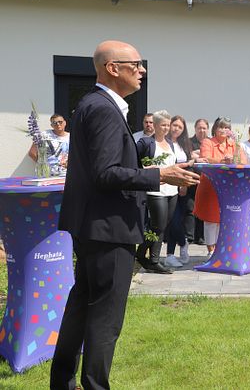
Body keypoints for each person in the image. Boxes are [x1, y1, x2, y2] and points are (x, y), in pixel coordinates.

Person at [51, 40, 199, 390]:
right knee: (105, 318)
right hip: (108, 229)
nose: (142, 70)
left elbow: (108, 168)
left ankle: (63, 383)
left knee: (81, 309)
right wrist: (160, 175)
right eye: (136, 64)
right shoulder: (102, 108)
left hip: (95, 227)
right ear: (112, 68)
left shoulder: (95, 105)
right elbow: (106, 173)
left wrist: (160, 169)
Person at [135, 110, 181, 272]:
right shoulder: (145, 143)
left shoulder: (170, 144)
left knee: (162, 226)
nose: (167, 128)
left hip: (172, 191)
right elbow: (132, 162)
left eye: (168, 125)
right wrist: (146, 169)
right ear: (154, 125)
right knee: (158, 225)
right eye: (163, 125)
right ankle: (144, 256)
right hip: (155, 191)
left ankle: (151, 258)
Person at [193, 117, 245, 258]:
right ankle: (211, 251)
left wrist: (234, 160)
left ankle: (222, 249)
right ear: (214, 129)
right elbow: (205, 158)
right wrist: (223, 160)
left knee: (225, 219)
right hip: (210, 186)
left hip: (228, 187)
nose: (223, 130)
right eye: (220, 127)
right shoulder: (207, 142)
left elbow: (243, 161)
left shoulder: (234, 144)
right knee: (211, 220)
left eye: (226, 127)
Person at [164, 115, 193, 264]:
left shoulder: (184, 145)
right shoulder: (164, 142)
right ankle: (182, 243)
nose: (176, 129)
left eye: (180, 127)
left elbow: (189, 166)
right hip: (166, 186)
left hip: (181, 188)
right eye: (174, 125)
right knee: (172, 220)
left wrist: (185, 185)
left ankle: (170, 255)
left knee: (177, 220)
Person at [186, 118, 210, 245]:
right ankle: (190, 236)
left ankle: (201, 237)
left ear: (207, 129)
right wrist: (198, 157)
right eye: (199, 128)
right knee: (190, 208)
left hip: (206, 181)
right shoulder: (188, 142)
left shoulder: (210, 142)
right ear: (195, 128)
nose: (202, 130)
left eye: (204, 128)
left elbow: (211, 158)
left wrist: (197, 156)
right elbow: (186, 154)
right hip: (192, 179)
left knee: (203, 208)